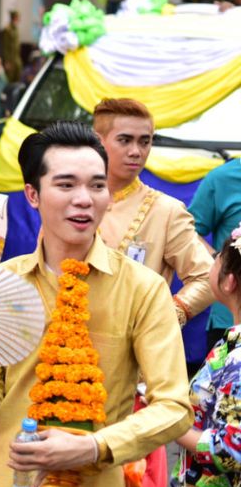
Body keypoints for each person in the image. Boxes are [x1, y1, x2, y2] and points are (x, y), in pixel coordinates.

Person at [0, 122, 193, 487]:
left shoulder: (142, 289)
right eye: (66, 184)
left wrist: (93, 446)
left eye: (96, 186)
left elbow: (175, 407)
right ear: (33, 195)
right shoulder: (3, 284)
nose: (83, 200)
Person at [92, 98, 214, 326]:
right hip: (67, 341)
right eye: (125, 140)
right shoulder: (72, 200)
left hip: (134, 349)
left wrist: (168, 316)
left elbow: (207, 277)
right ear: (98, 142)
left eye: (144, 142)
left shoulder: (165, 210)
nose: (136, 151)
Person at [171, 226, 241, 487]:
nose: (209, 264)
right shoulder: (233, 342)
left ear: (229, 281)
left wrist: (169, 427)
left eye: (216, 259)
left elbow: (231, 448)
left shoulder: (238, 360)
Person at [190, 157, 241, 352]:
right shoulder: (222, 178)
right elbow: (188, 230)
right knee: (225, 377)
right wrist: (222, 261)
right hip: (230, 320)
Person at [0, 11, 22, 83]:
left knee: (17, 77)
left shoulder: (16, 29)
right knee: (9, 79)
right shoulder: (7, 30)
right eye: (17, 17)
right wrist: (7, 61)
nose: (19, 19)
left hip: (16, 57)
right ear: (14, 17)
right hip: (10, 59)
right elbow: (5, 46)